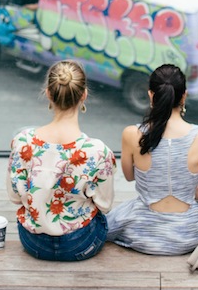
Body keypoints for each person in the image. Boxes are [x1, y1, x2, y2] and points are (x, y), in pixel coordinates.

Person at [106, 63, 198, 255]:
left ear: (151, 95)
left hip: (143, 233)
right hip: (189, 234)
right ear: (184, 95)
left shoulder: (131, 134)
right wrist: (183, 190)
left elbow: (129, 176)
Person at [8, 59, 117, 261]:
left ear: (49, 93)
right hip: (81, 243)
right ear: (84, 95)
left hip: (33, 243)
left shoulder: (22, 142)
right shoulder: (98, 151)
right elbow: (104, 204)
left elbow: (15, 197)